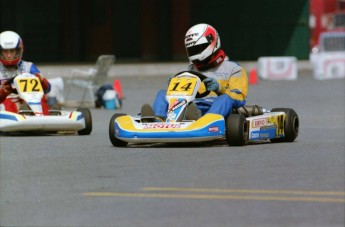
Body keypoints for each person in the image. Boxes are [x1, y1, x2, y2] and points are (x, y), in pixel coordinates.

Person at [141, 23, 248, 121]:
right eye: (192, 50)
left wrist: (220, 88)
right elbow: (184, 94)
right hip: (190, 106)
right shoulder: (192, 70)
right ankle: (158, 120)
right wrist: (174, 87)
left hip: (216, 107)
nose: (195, 53)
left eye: (198, 48)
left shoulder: (234, 69)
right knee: (163, 93)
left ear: (212, 43)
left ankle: (205, 122)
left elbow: (239, 99)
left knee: (224, 99)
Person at [0, 31, 51, 113]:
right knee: (9, 103)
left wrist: (41, 81)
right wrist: (3, 92)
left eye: (12, 51)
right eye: (5, 52)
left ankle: (42, 119)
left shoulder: (28, 67)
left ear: (18, 50)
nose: (9, 56)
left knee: (42, 97)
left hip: (26, 101)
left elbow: (48, 88)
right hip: (4, 104)